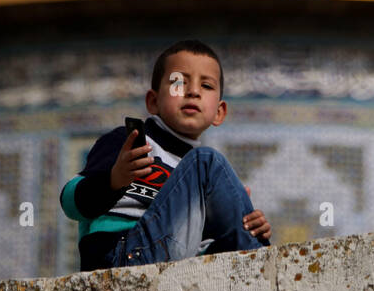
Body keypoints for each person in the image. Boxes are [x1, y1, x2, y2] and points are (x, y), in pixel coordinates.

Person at [60, 39, 272, 271]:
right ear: (153, 101)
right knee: (206, 161)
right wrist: (113, 181)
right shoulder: (130, 143)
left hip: (177, 261)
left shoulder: (201, 180)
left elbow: (194, 241)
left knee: (235, 221)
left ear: (219, 112)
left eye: (206, 86)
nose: (192, 91)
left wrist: (247, 224)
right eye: (178, 83)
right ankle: (263, 266)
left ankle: (257, 258)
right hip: (122, 255)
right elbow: (69, 203)